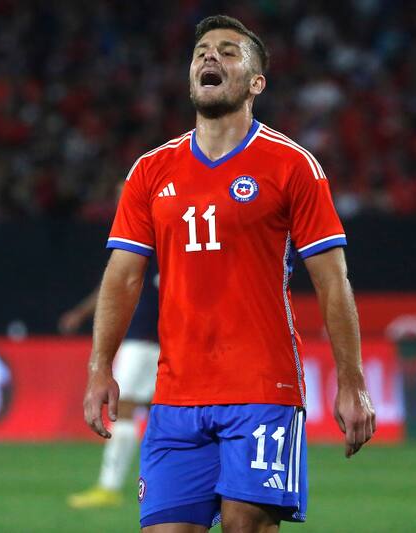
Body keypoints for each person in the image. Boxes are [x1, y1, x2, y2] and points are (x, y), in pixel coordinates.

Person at [83, 14, 375, 533]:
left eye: (228, 51)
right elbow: (123, 277)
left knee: (247, 527)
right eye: (201, 52)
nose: (210, 57)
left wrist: (352, 382)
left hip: (262, 388)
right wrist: (99, 366)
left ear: (256, 83)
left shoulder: (292, 165)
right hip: (175, 395)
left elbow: (333, 282)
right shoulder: (150, 171)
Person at [62, 260, 160, 509]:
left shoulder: (146, 253)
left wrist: (80, 313)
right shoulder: (171, 252)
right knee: (160, 413)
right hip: (163, 342)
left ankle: (109, 487)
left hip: (139, 344)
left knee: (124, 410)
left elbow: (114, 286)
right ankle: (163, 484)